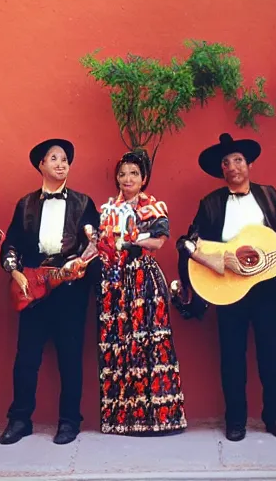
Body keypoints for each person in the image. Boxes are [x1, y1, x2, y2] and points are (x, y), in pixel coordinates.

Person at [176, 132, 276, 441]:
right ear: (221, 171)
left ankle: (275, 416)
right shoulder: (210, 204)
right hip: (229, 288)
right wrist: (221, 261)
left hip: (267, 285)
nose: (232, 166)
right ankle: (235, 420)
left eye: (237, 160)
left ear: (248, 164)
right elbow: (187, 243)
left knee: (273, 353)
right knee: (232, 355)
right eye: (226, 162)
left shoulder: (269, 196)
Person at [0, 138, 99, 445]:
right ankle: (19, 420)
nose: (60, 163)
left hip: (69, 289)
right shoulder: (25, 204)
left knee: (70, 358)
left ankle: (69, 422)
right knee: (26, 358)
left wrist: (80, 265)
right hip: (33, 289)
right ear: (41, 165)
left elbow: (93, 245)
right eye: (53, 158)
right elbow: (11, 242)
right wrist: (14, 269)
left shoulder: (84, 203)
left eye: (65, 159)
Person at [97, 150, 187, 435]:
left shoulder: (152, 208)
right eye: (122, 173)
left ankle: (160, 419)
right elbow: (100, 244)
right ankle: (122, 419)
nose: (127, 179)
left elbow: (159, 242)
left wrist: (130, 240)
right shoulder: (110, 209)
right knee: (120, 343)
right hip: (115, 281)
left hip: (143, 281)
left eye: (134, 173)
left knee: (148, 342)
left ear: (144, 178)